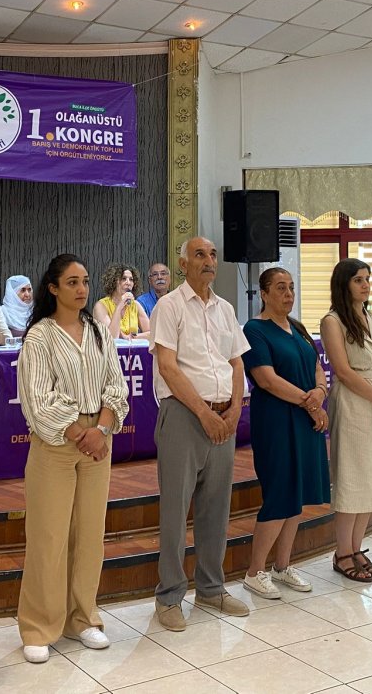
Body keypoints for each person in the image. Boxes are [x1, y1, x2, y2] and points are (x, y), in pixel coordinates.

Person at [15, 254, 130, 663]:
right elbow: (37, 397)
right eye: (72, 282)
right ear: (53, 288)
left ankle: (83, 617)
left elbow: (116, 385)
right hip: (56, 444)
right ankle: (39, 625)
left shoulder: (98, 331)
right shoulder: (40, 336)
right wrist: (80, 432)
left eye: (84, 281)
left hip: (98, 442)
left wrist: (101, 430)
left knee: (89, 535)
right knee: (48, 536)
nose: (81, 289)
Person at [150, 236, 251, 630]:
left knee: (216, 508)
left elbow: (236, 364)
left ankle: (211, 588)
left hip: (224, 416)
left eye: (212, 255)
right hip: (183, 415)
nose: (208, 261)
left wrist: (235, 408)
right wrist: (203, 413)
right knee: (175, 512)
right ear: (183, 264)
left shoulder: (225, 309)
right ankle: (169, 596)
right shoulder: (169, 306)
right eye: (199, 255)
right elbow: (168, 366)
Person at [241, 267, 331, 599]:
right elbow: (266, 379)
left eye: (291, 287)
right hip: (277, 421)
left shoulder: (298, 328)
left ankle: (282, 565)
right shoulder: (254, 329)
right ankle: (254, 572)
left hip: (306, 419)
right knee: (279, 493)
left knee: (297, 494)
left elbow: (317, 367)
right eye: (280, 288)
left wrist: (319, 393)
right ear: (264, 293)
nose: (288, 293)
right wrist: (311, 404)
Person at [319, 258, 372, 583]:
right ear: (344, 284)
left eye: (367, 279)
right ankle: (342, 553)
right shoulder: (333, 321)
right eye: (358, 280)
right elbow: (343, 371)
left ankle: (357, 548)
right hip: (353, 402)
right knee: (353, 478)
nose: (365, 285)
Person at [94, 264, 151, 339]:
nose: (128, 283)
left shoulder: (136, 305)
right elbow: (111, 337)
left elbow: (151, 334)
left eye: (131, 279)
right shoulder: (101, 306)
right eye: (123, 279)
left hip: (133, 346)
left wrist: (132, 337)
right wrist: (119, 307)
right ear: (113, 282)